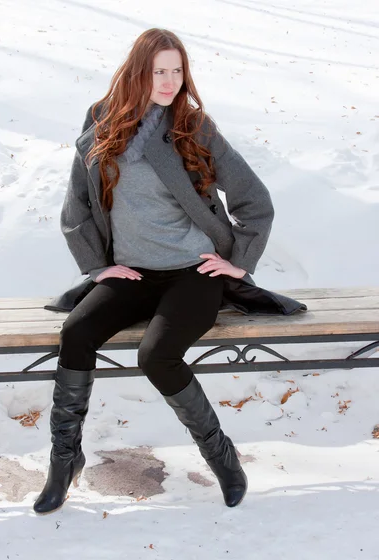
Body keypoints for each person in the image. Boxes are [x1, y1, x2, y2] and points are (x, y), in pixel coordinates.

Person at [34, 28, 304, 515]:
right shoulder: (101, 121)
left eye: (177, 71)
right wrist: (98, 266)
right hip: (133, 272)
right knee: (75, 333)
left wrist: (237, 261)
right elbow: (76, 203)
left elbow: (253, 199)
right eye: (159, 70)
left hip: (192, 272)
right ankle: (65, 461)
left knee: (156, 354)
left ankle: (223, 459)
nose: (169, 80)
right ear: (138, 70)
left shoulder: (192, 126)